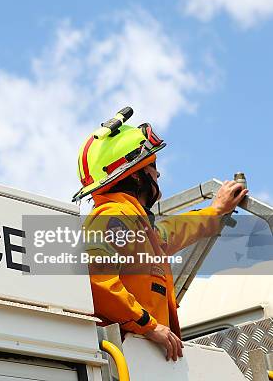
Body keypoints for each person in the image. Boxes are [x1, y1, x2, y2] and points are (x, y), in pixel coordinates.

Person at [72, 108, 248, 362]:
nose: (158, 174)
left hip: (141, 360)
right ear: (136, 173)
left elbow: (174, 231)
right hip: (129, 359)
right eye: (152, 167)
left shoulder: (136, 225)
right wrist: (148, 325)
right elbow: (95, 279)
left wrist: (216, 211)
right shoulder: (115, 216)